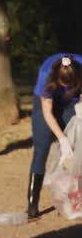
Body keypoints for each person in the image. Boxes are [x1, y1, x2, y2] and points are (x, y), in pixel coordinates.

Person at [27, 53, 82, 218]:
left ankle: (69, 200)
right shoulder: (46, 75)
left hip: (71, 103)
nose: (67, 87)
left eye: (71, 84)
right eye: (64, 84)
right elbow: (47, 113)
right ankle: (32, 206)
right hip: (46, 103)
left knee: (77, 146)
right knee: (41, 148)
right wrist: (62, 139)